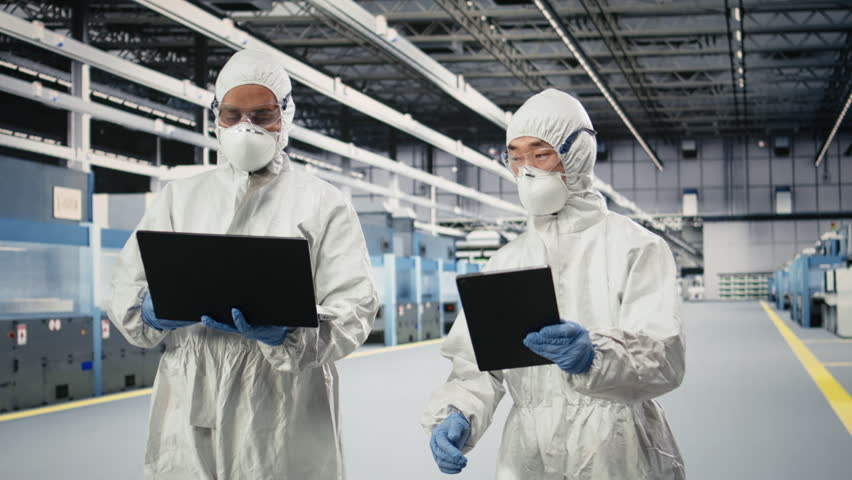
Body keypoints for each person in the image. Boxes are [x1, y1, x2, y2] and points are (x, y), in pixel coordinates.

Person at [108, 49, 378, 479]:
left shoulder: (322, 202)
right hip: (190, 392)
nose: (246, 127)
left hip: (283, 398)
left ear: (286, 116)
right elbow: (125, 285)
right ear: (215, 115)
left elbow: (354, 308)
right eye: (232, 114)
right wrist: (145, 311)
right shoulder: (180, 197)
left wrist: (292, 333)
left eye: (262, 114)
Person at [422, 89, 686, 479]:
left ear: (577, 154)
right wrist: (459, 411)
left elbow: (664, 356)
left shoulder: (636, 248)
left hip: (618, 451)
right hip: (530, 455)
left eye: (541, 154)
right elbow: (479, 364)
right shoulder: (506, 261)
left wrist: (595, 356)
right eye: (515, 156)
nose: (527, 169)